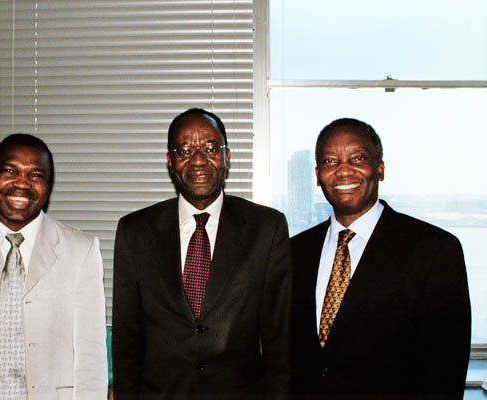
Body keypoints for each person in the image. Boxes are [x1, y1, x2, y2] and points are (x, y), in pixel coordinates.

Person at [112, 108, 293, 399]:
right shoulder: (136, 231)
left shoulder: (266, 229)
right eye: (185, 150)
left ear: (227, 157)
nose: (198, 159)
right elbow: (127, 343)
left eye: (210, 148)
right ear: (170, 162)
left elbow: (279, 342)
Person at [291, 118, 471, 399]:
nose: (344, 171)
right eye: (330, 161)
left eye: (358, 158)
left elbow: (445, 370)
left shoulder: (435, 251)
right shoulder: (294, 252)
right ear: (317, 175)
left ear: (380, 168)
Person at [0, 133, 108, 399]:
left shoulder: (81, 251)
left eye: (36, 175)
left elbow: (91, 356)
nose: (22, 183)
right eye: (10, 171)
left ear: (48, 187)